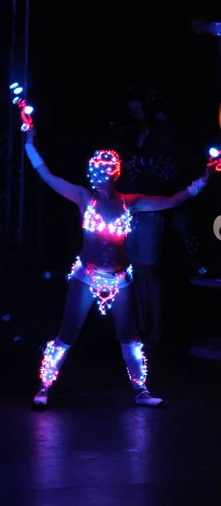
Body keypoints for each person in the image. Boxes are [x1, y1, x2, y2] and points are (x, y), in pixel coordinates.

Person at [24, 128, 212, 409]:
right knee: (67, 332)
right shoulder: (82, 196)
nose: (98, 174)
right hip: (86, 278)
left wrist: (204, 179)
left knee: (129, 335)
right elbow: (47, 175)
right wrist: (29, 144)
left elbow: (172, 200)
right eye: (95, 170)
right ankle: (44, 386)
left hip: (121, 280)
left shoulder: (130, 202)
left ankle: (141, 390)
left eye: (104, 169)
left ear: (114, 173)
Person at [114, 87, 183, 347]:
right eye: (131, 110)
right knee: (135, 270)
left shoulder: (162, 135)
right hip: (130, 207)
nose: (134, 115)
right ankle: (141, 325)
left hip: (151, 208)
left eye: (138, 109)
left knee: (148, 270)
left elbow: (168, 171)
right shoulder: (131, 137)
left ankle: (155, 327)